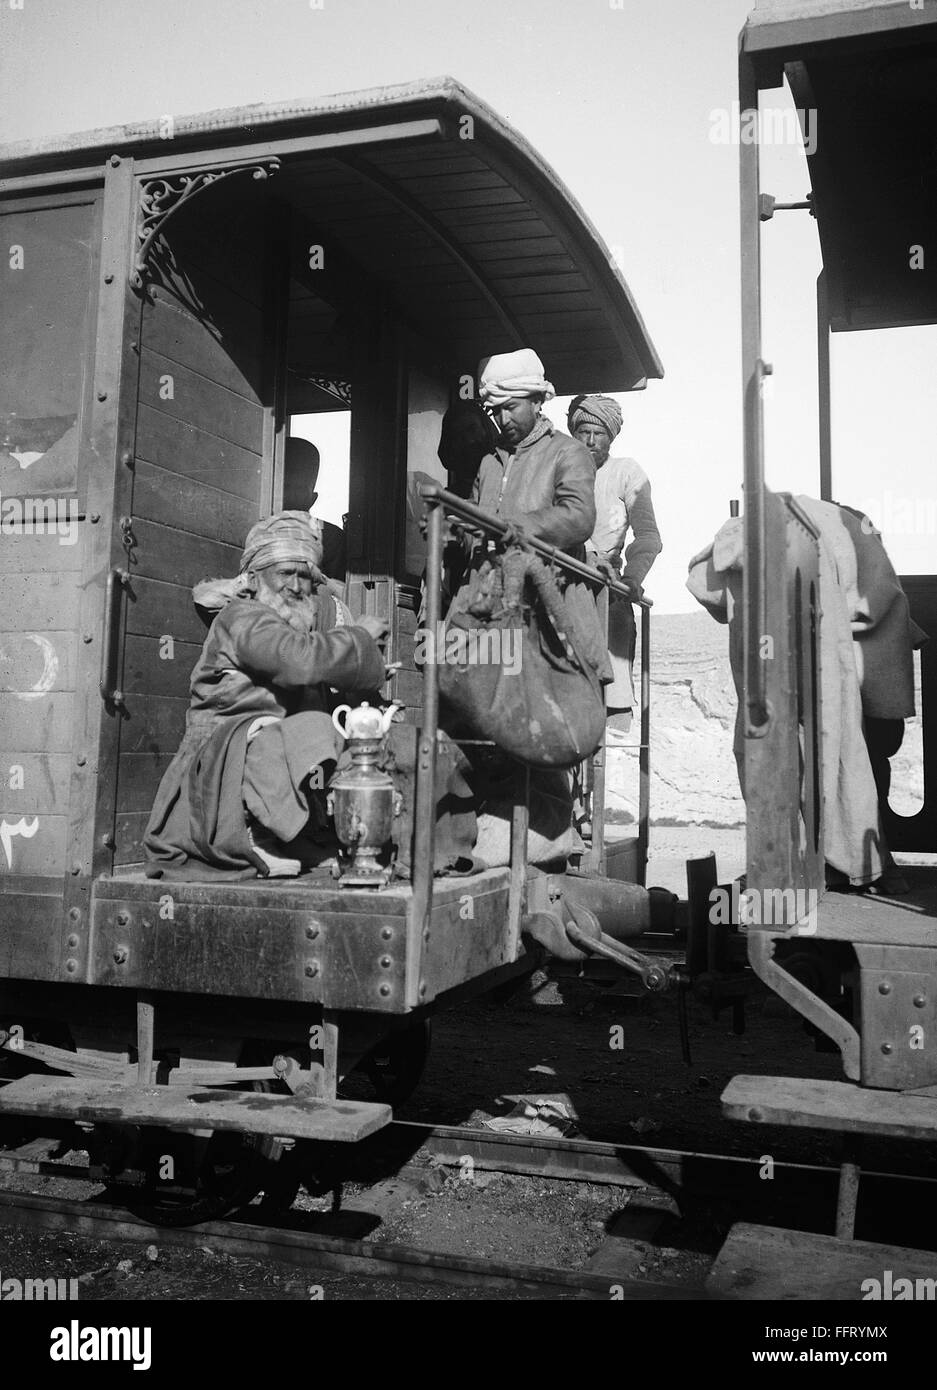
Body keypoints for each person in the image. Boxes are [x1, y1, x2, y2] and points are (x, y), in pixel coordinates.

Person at [687, 497, 925, 894]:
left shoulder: (833, 535)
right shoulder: (841, 534)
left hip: (842, 669)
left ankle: (841, 860)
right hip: (828, 662)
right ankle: (844, 861)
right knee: (841, 757)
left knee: (850, 755)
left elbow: (708, 586)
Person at [144, 511, 389, 880]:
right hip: (219, 775)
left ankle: (294, 836)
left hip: (254, 765)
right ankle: (250, 837)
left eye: (304, 575)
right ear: (254, 578)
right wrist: (360, 640)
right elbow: (298, 661)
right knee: (312, 728)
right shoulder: (244, 616)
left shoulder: (290, 628)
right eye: (284, 572)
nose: (295, 584)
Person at [568, 393, 662, 733]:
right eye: (584, 433)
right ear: (574, 433)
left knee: (617, 622)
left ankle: (616, 713)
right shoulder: (560, 468)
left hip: (607, 589)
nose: (591, 441)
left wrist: (632, 579)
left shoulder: (626, 473)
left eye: (599, 433)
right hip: (561, 574)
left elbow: (649, 536)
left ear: (611, 435)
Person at [282, 436, 347, 581]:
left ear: (313, 498)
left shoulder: (330, 536)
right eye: (286, 487)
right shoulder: (260, 531)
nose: (292, 495)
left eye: (299, 489)